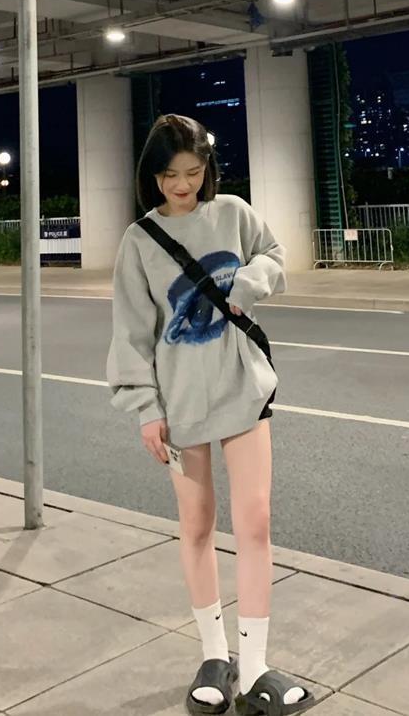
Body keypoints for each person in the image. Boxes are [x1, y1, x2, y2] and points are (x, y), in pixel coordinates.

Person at [107, 114, 315, 715]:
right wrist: (146, 410)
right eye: (170, 175)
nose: (183, 185)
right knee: (197, 525)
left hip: (243, 390)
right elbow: (131, 333)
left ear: (208, 169)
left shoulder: (233, 213)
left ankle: (255, 666)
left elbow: (274, 255)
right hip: (178, 406)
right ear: (151, 175)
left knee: (255, 522)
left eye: (194, 172)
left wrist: (248, 284)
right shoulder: (139, 241)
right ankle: (214, 655)